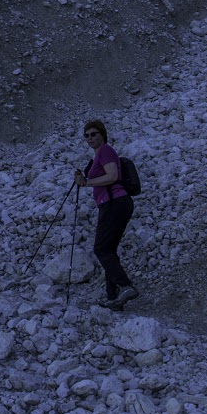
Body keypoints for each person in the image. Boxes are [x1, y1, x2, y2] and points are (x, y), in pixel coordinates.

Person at [75, 119, 137, 310]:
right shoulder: (98, 155)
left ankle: (126, 286)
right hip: (114, 204)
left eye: (93, 134)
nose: (90, 138)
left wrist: (86, 182)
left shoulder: (105, 150)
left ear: (102, 134)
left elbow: (112, 176)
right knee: (108, 250)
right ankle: (114, 298)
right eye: (86, 135)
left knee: (101, 249)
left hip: (114, 203)